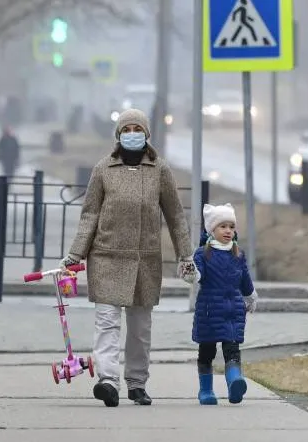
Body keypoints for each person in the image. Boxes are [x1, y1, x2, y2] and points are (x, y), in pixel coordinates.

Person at [61, 108, 197, 407]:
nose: (132, 134)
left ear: (146, 135)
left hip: (144, 261)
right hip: (107, 257)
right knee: (107, 322)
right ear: (118, 135)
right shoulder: (103, 169)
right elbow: (90, 215)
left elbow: (175, 216)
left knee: (140, 328)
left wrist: (185, 255)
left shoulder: (160, 170)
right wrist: (75, 254)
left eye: (137, 129)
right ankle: (108, 380)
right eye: (127, 129)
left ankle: (137, 383)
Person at [185, 203, 258, 405]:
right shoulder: (203, 254)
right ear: (212, 230)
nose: (228, 231)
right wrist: (190, 272)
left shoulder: (238, 254)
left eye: (231, 226)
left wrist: (251, 296)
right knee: (207, 352)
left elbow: (245, 279)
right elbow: (198, 276)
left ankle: (235, 382)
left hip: (233, 311)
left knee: (232, 349)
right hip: (209, 311)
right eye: (223, 226)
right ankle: (206, 391)